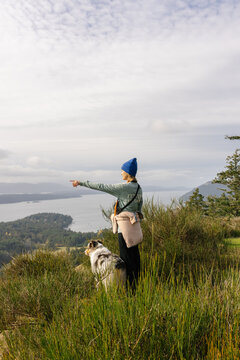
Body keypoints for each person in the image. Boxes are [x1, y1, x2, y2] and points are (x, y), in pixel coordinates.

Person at [70, 157, 143, 290]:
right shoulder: (138, 188)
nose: (121, 173)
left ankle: (129, 292)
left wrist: (80, 182)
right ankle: (137, 287)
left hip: (124, 231)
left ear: (128, 173)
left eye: (122, 171)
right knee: (135, 260)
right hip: (135, 231)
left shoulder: (124, 188)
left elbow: (102, 187)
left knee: (126, 261)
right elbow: (139, 209)